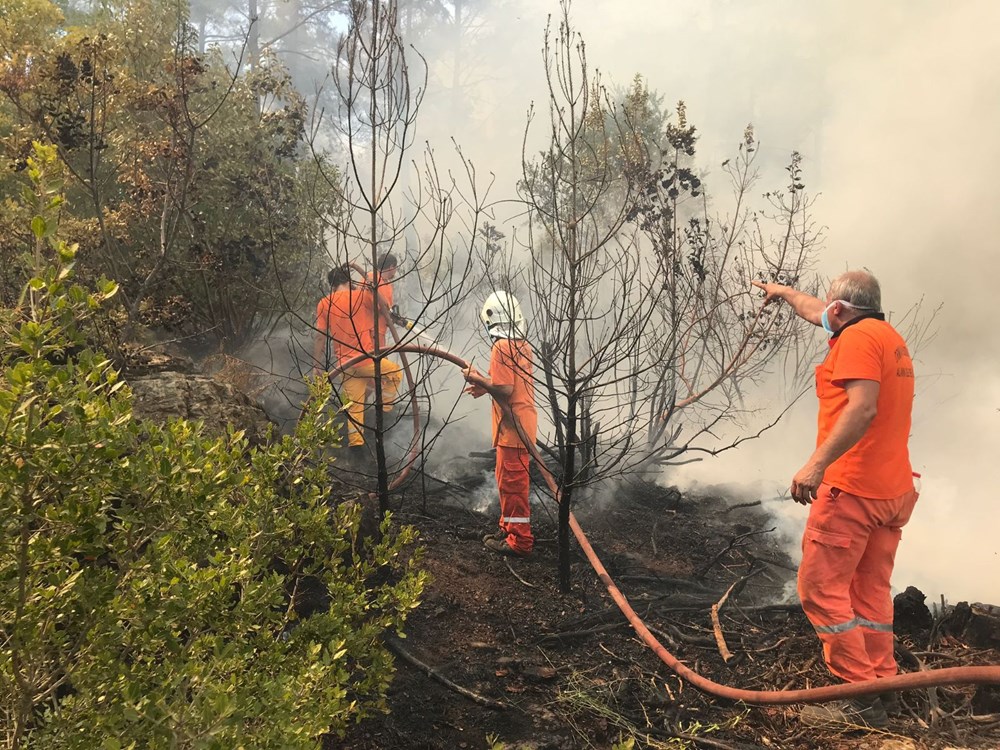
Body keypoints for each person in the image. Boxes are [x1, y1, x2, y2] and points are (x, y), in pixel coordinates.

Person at [752, 271, 917, 729]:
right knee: (870, 592)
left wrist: (816, 465)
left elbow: (862, 408)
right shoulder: (887, 335)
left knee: (820, 589)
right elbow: (816, 312)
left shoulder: (858, 341)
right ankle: (883, 686)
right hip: (892, 491)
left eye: (829, 307)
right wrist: (783, 293)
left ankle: (858, 697)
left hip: (853, 490)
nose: (822, 314)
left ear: (841, 309)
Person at [462, 291, 538, 558]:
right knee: (506, 482)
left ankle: (520, 541)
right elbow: (506, 382)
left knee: (514, 486)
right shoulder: (521, 344)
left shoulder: (502, 346)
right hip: (517, 427)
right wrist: (484, 386)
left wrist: (477, 379)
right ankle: (508, 530)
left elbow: (504, 388)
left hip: (514, 430)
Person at [314, 265, 403, 456]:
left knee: (354, 406)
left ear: (332, 284)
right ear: (348, 281)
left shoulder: (324, 303)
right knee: (395, 373)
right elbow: (384, 306)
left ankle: (356, 448)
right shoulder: (360, 297)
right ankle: (386, 413)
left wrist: (316, 364)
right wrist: (372, 287)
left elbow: (320, 336)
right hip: (364, 359)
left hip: (344, 365)